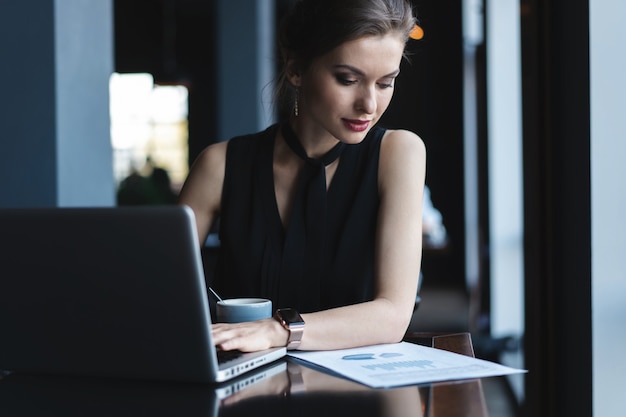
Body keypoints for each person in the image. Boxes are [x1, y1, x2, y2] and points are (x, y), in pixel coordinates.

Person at [178, 0, 426, 353]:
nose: (369, 104)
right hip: (241, 390)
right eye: (348, 79)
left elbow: (393, 315)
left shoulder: (398, 152)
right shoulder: (219, 165)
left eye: (386, 83)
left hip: (356, 396)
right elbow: (160, 292)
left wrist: (279, 331)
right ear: (296, 69)